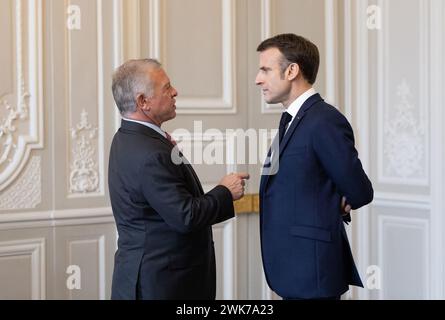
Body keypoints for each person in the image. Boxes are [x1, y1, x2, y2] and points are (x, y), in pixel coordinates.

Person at [109, 59, 249, 300]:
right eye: (166, 87)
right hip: (162, 285)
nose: (175, 92)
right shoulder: (150, 152)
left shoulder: (128, 137)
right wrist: (226, 190)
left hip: (147, 277)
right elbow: (186, 216)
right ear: (143, 102)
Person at [256, 34, 373, 300]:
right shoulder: (293, 119)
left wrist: (343, 196)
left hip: (312, 271)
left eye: (265, 69)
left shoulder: (324, 120)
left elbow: (360, 190)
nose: (258, 79)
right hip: (294, 268)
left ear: (292, 70)